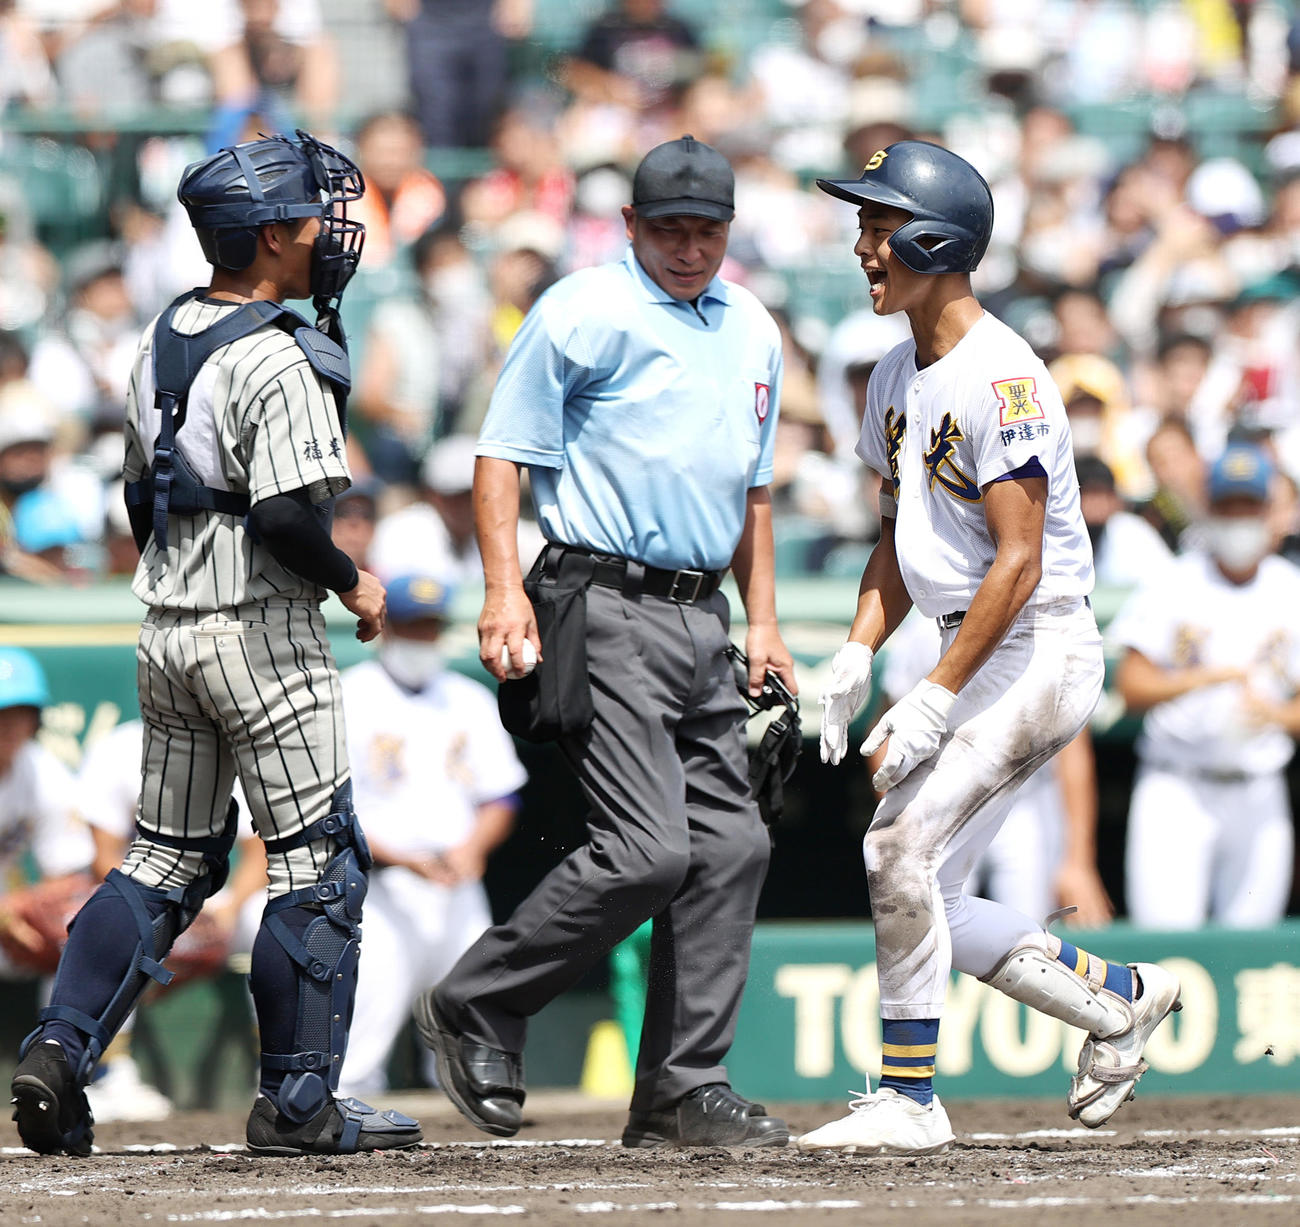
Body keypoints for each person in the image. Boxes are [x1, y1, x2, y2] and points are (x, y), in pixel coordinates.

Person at [8, 129, 421, 1159]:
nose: (327, 235)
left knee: (164, 855)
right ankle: (298, 1103)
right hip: (262, 630)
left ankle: (60, 1045)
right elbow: (285, 516)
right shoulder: (277, 352)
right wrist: (352, 579)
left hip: (168, 627)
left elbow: (138, 500)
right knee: (316, 863)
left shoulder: (162, 334)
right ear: (269, 234)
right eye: (310, 219)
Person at [414, 135, 796, 1149]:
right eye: (668, 229)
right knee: (647, 849)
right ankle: (478, 1000)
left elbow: (754, 489)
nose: (688, 247)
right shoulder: (581, 308)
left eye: (705, 230)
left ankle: (680, 1090)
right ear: (630, 225)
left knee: (733, 844)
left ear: (729, 228)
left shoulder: (752, 325)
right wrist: (503, 590)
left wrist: (762, 618)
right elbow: (501, 454)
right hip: (601, 593)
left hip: (704, 612)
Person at [800, 141, 1181, 1156]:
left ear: (935, 240)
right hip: (970, 639)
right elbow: (899, 535)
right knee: (921, 885)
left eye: (880, 227)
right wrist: (855, 651)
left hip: (1037, 643)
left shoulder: (1004, 374)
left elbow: (1018, 561)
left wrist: (933, 694)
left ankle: (909, 1096)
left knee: (894, 851)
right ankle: (1120, 1000)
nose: (863, 247)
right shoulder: (894, 371)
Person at [335, 573, 524, 1099]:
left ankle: (471, 1122)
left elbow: (502, 797)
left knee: (472, 1024)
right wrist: (403, 858)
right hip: (377, 885)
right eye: (413, 625)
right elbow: (331, 806)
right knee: (364, 1031)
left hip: (457, 882)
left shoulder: (468, 698)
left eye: (431, 626)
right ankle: (343, 1112)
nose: (423, 637)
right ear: (388, 626)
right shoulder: (350, 694)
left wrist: (474, 848)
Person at [1110, 443, 1300, 928]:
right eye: (1228, 506)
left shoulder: (1290, 587)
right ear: (1210, 509)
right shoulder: (1173, 582)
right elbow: (1130, 686)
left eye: (1248, 506)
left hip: (1259, 787)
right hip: (1177, 783)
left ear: (1267, 511)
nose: (1239, 519)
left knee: (1252, 944)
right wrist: (1200, 679)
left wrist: (1278, 715)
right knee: (1166, 939)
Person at [0, 648, 94, 980]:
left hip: (7, 905)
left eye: (19, 713)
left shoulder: (45, 774)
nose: (8, 726)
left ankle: (59, 1018)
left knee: (72, 934)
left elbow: (69, 875)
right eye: (0, 714)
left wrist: (22, 907)